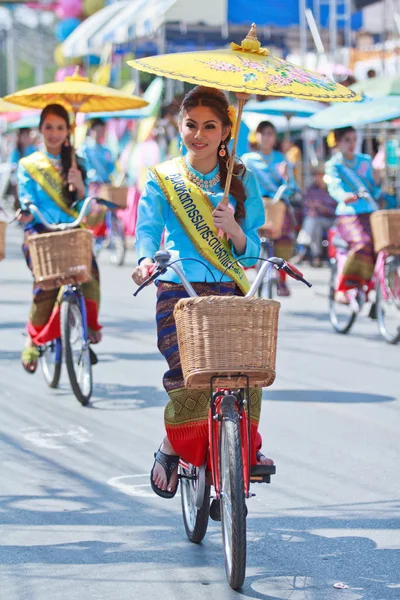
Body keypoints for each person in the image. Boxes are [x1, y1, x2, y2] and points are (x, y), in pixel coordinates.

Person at [132, 86, 273, 500]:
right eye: (191, 124)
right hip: (178, 287)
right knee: (188, 378)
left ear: (226, 131)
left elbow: (253, 248)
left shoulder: (243, 178)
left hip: (228, 288)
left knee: (244, 373)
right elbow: (146, 228)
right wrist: (144, 260)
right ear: (180, 127)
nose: (200, 134)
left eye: (210, 126)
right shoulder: (164, 178)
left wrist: (234, 231)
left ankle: (240, 448)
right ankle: (173, 445)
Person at [17, 104, 102, 373]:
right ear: (40, 130)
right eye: (48, 127)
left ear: (68, 132)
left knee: (90, 273)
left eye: (59, 127)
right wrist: (27, 212)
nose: (53, 133)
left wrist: (78, 186)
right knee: (45, 285)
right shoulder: (28, 165)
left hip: (71, 229)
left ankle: (88, 325)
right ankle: (34, 338)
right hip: (41, 231)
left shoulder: (78, 163)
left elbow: (82, 206)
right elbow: (26, 199)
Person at [242, 121, 300, 297]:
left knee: (285, 236)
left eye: (270, 134)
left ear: (274, 138)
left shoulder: (282, 159)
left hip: (276, 205)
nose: (266, 138)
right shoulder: (247, 160)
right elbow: (239, 182)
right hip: (254, 204)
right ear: (256, 136)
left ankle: (282, 279)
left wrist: (287, 177)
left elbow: (291, 188)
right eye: (263, 133)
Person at [324, 126, 381, 303]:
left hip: (371, 213)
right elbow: (334, 187)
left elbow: (375, 191)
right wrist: (344, 196)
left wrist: (378, 180)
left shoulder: (365, 160)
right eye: (347, 140)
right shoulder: (334, 164)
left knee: (383, 247)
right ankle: (345, 286)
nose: (351, 144)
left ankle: (372, 285)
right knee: (362, 243)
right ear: (338, 142)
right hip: (348, 215)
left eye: (354, 139)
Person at [293, 164, 336, 267]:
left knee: (312, 222)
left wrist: (323, 209)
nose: (317, 178)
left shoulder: (332, 189)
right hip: (316, 220)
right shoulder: (311, 190)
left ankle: (302, 249)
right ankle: (316, 255)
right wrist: (311, 210)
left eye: (320, 175)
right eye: (315, 175)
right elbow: (306, 206)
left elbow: (336, 208)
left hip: (331, 220)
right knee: (314, 223)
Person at [9, 128, 37, 210]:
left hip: (32, 178)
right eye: (23, 136)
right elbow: (13, 165)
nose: (26, 138)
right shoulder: (16, 151)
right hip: (19, 179)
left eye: (27, 136)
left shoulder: (33, 149)